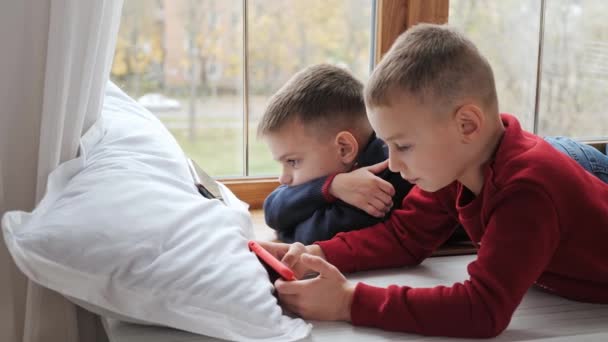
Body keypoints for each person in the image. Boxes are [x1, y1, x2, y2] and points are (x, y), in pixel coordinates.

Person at [258, 24, 608, 338]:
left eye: (404, 145)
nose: (392, 163)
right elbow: (404, 236)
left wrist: (348, 302)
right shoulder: (459, 167)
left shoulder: (527, 189)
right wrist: (313, 254)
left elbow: (483, 310)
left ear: (467, 125)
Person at [257, 64, 416, 244]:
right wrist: (329, 187)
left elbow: (311, 237)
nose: (283, 179)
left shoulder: (383, 175)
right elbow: (273, 210)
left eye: (292, 162)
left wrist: (285, 230)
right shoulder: (329, 172)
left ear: (344, 148)